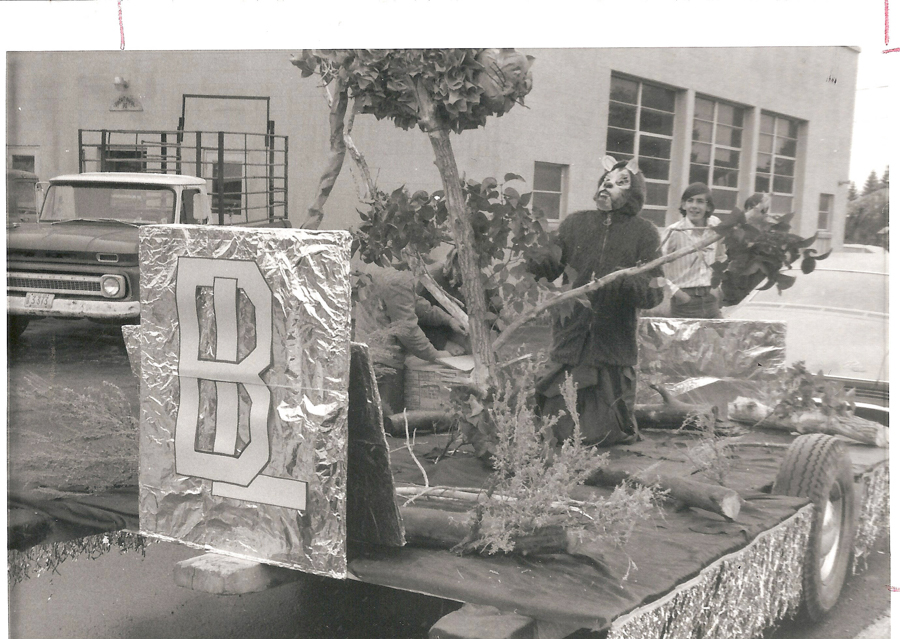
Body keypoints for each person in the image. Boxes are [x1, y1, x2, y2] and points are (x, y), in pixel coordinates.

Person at [529, 156, 665, 446]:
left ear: (633, 194)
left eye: (620, 183)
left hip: (612, 348)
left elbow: (656, 289)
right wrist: (534, 256)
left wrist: (623, 281)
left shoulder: (646, 233)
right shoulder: (574, 224)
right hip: (570, 340)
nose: (609, 184)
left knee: (602, 436)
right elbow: (549, 267)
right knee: (555, 431)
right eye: (606, 180)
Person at [353, 263, 466, 420]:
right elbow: (407, 329)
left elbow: (414, 302)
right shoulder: (397, 278)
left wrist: (448, 320)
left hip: (369, 349)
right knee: (389, 424)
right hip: (385, 359)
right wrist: (436, 354)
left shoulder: (378, 263)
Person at [660, 183, 726, 319]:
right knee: (683, 341)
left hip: (711, 300)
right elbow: (655, 271)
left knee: (719, 339)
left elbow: (721, 257)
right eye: (690, 201)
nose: (694, 206)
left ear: (708, 207)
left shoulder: (715, 227)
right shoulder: (674, 232)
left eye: (700, 201)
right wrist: (678, 294)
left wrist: (715, 287)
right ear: (683, 205)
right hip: (684, 303)